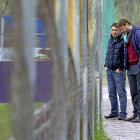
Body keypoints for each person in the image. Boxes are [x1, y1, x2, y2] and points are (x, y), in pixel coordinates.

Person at [118, 18, 140, 122]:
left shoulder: (137, 33)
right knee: (133, 91)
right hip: (130, 67)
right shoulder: (127, 36)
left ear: (127, 25)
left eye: (122, 28)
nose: (121, 31)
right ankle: (136, 113)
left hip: (138, 65)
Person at [104, 23, 127, 120]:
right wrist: (105, 65)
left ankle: (123, 113)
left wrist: (120, 68)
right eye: (113, 30)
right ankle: (114, 112)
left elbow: (126, 56)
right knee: (111, 93)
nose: (114, 31)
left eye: (116, 30)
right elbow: (108, 53)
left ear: (120, 31)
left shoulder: (123, 41)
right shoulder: (110, 40)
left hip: (118, 72)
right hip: (109, 70)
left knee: (121, 93)